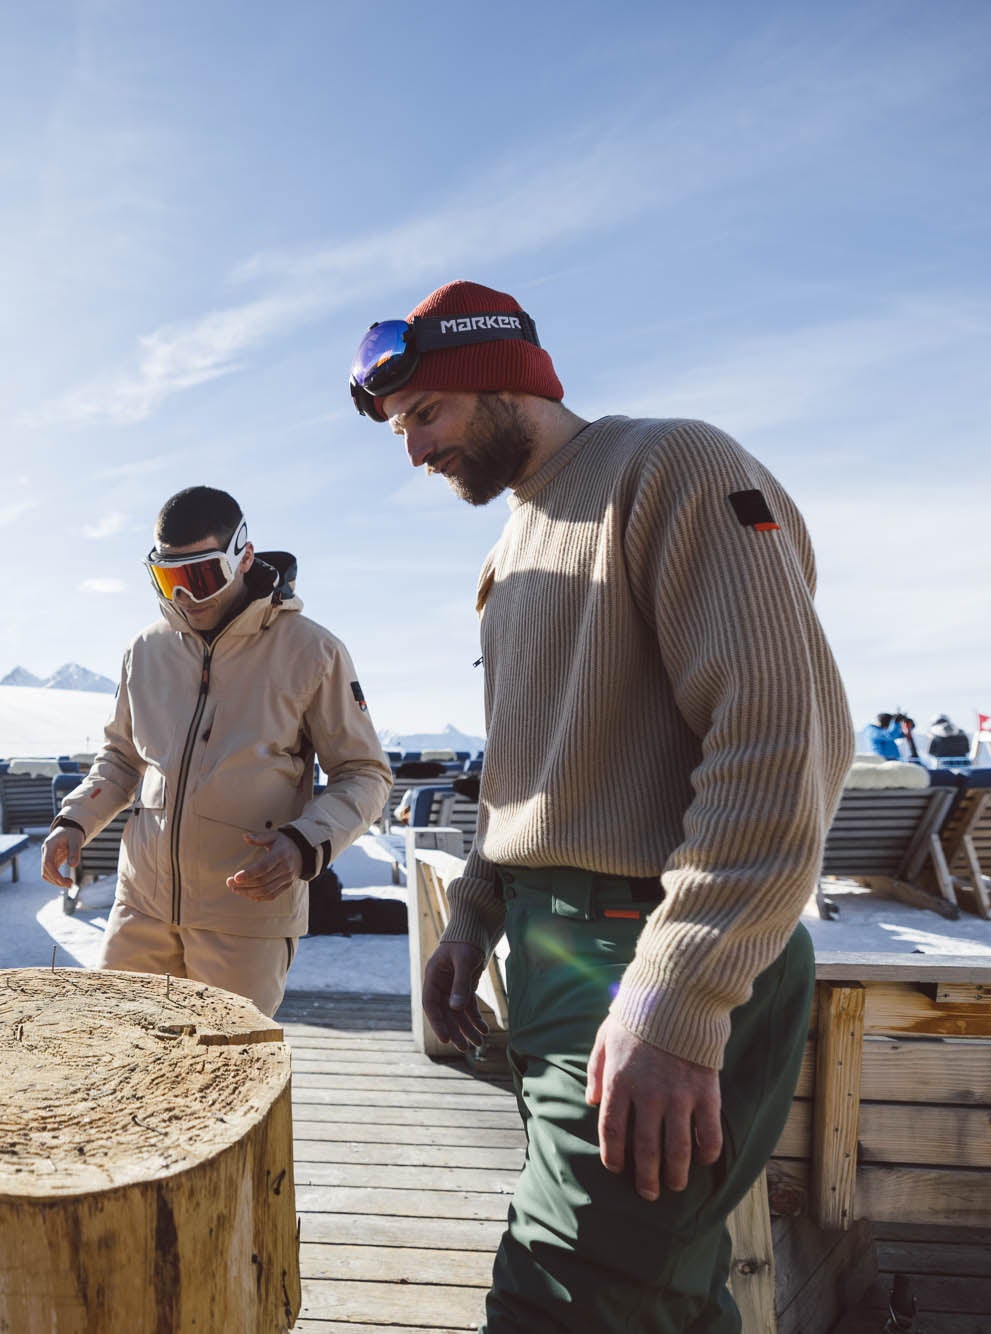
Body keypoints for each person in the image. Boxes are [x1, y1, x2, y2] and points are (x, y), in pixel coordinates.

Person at [349, 281, 850, 1333]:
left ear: (501, 380)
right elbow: (529, 769)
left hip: (650, 952)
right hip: (552, 960)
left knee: (562, 1292)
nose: (413, 451)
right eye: (400, 427)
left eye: (426, 414)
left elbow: (776, 736)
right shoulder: (506, 550)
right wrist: (474, 911)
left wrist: (676, 993)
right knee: (654, 1290)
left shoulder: (669, 465)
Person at [42, 486, 391, 1018]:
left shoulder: (312, 651)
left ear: (243, 556)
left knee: (229, 1074)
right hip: (141, 905)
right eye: (167, 579)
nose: (184, 596)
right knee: (122, 1064)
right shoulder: (145, 650)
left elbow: (364, 773)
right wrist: (74, 821)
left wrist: (304, 842)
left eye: (200, 577)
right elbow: (120, 757)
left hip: (246, 915)